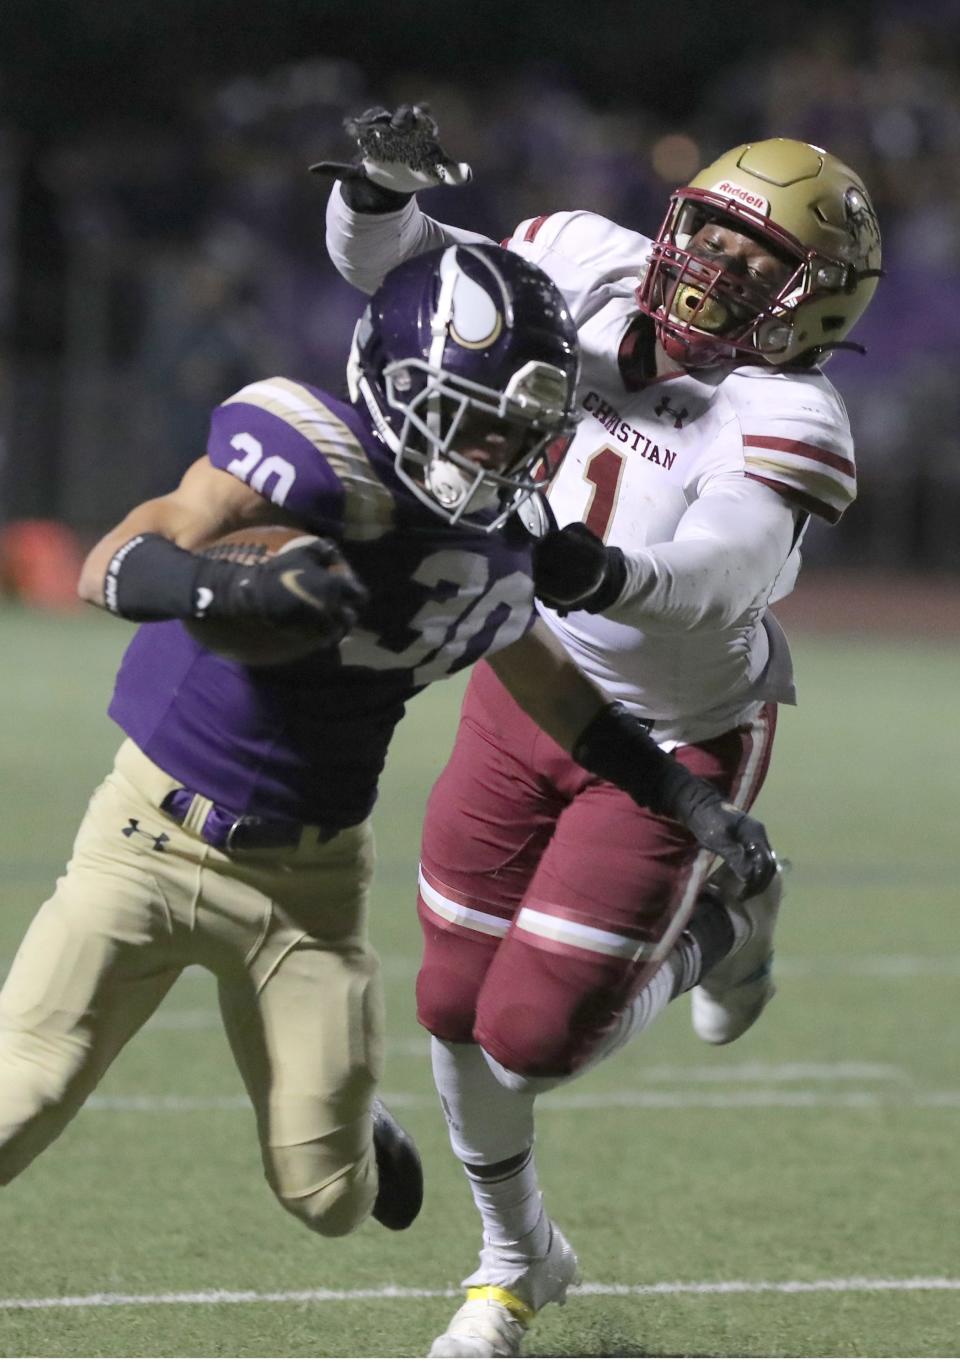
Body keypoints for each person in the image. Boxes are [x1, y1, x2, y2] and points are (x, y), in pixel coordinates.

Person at [0, 245, 774, 1266]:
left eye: (517, 429)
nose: (493, 447)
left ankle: (356, 1121)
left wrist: (681, 792)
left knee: (327, 1198)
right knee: (21, 1100)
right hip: (143, 842)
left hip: (308, 890)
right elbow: (116, 562)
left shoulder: (495, 546)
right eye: (475, 411)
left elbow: (552, 687)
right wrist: (230, 593)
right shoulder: (305, 452)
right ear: (397, 380)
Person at [318, 107, 882, 1355]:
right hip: (525, 679)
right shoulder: (582, 256)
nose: (717, 272)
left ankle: (728, 922)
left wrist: (590, 572)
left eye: (758, 264)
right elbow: (410, 269)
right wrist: (370, 191)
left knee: (531, 1041)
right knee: (452, 1002)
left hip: (675, 734)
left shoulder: (791, 414)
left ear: (815, 305)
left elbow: (723, 568)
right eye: (716, 239)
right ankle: (515, 1260)